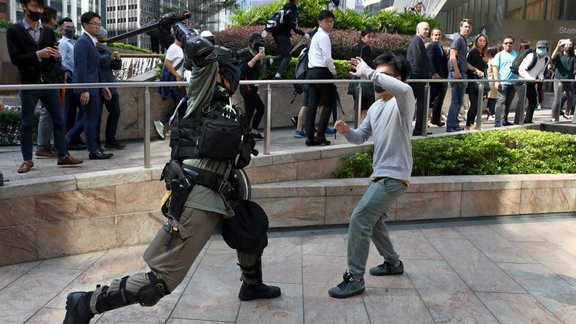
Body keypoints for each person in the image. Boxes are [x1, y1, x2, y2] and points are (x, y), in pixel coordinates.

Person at [63, 29, 280, 324]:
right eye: (226, 70)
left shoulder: (227, 102)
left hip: (223, 190)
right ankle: (87, 303)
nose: (231, 75)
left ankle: (251, 286)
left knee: (251, 231)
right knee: (161, 282)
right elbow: (198, 52)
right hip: (200, 194)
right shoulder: (201, 93)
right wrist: (185, 32)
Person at [328, 52, 413, 299]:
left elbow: (404, 90)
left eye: (384, 76)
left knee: (359, 218)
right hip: (380, 174)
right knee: (373, 221)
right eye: (377, 75)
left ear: (397, 79)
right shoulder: (376, 107)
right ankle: (393, 263)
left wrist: (368, 72)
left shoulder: (403, 100)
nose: (377, 81)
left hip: (394, 175)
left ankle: (354, 278)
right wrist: (346, 131)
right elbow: (360, 137)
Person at [7, 0, 83, 173]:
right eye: (34, 7)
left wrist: (56, 59)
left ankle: (63, 155)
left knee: (59, 120)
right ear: (24, 7)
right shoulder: (14, 31)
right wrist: (38, 54)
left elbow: (54, 60)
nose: (38, 11)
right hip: (29, 83)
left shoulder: (48, 32)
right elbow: (15, 59)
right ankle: (27, 160)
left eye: (40, 8)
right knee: (26, 124)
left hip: (49, 83)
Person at [71, 11, 113, 159]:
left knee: (93, 120)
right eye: (94, 24)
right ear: (85, 25)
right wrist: (84, 89)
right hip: (88, 88)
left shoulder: (91, 42)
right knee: (90, 120)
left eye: (98, 24)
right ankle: (93, 151)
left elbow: (95, 68)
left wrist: (103, 86)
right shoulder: (82, 42)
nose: (97, 27)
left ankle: (96, 149)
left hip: (95, 87)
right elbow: (80, 68)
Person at [305, 10, 336, 146]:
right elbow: (327, 58)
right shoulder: (324, 36)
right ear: (320, 22)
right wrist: (334, 71)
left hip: (311, 73)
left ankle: (310, 138)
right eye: (327, 21)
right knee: (329, 104)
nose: (330, 24)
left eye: (332, 21)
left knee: (312, 106)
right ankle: (320, 135)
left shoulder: (316, 36)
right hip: (321, 72)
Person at [34, 5, 59, 158]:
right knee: (47, 113)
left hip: (49, 79)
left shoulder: (47, 34)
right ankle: (42, 146)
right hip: (42, 79)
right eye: (56, 20)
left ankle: (46, 145)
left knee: (50, 113)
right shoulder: (43, 35)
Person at [58, 17, 86, 151]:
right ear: (61, 29)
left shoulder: (75, 42)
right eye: (67, 27)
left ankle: (73, 137)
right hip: (70, 80)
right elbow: (61, 61)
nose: (71, 29)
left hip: (78, 79)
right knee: (70, 111)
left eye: (72, 26)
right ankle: (69, 140)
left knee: (81, 110)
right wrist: (67, 75)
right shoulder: (62, 43)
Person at [96, 28, 126, 149]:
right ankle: (95, 143)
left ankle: (111, 140)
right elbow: (98, 62)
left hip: (111, 87)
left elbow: (115, 67)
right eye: (102, 41)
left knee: (115, 113)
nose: (104, 43)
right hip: (98, 87)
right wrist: (109, 57)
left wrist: (118, 59)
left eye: (105, 40)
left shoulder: (107, 51)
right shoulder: (92, 50)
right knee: (96, 117)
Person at [265, 0, 307, 79]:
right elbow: (294, 26)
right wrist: (304, 34)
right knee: (288, 56)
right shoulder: (292, 11)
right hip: (283, 35)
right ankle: (278, 76)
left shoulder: (283, 9)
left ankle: (269, 61)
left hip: (276, 34)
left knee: (283, 54)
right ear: (295, 1)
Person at [154, 36, 185, 139]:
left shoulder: (178, 48)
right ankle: (162, 122)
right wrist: (177, 75)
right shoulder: (174, 48)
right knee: (182, 102)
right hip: (173, 80)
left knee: (182, 103)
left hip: (176, 80)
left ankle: (174, 127)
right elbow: (167, 63)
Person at [446, 18, 473, 132]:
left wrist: (474, 69)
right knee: (456, 101)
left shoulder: (464, 40)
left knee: (459, 101)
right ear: (460, 27)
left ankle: (454, 124)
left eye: (469, 27)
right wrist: (456, 71)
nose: (467, 29)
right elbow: (452, 56)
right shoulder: (458, 39)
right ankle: (451, 126)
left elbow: (463, 60)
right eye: (465, 26)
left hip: (462, 74)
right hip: (457, 74)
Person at [239, 33, 266, 140]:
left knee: (261, 108)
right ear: (251, 43)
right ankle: (244, 135)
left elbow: (255, 75)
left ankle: (253, 131)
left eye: (261, 42)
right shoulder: (247, 54)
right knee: (249, 113)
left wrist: (257, 88)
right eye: (257, 42)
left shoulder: (257, 54)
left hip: (253, 88)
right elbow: (244, 69)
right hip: (247, 87)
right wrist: (256, 58)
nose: (259, 44)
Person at [515, 40, 549, 124]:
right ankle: (517, 121)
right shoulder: (530, 56)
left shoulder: (547, 58)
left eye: (543, 48)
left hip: (531, 82)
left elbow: (541, 70)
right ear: (536, 48)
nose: (541, 49)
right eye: (539, 47)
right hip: (521, 81)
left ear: (546, 49)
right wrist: (529, 77)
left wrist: (541, 77)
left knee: (533, 101)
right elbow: (521, 69)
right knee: (522, 101)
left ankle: (528, 120)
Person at [406, 21, 431, 136]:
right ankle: (419, 129)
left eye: (428, 29)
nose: (427, 31)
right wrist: (422, 78)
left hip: (419, 78)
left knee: (421, 104)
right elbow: (416, 62)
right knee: (421, 104)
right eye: (424, 29)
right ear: (418, 29)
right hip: (418, 79)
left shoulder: (419, 41)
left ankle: (420, 128)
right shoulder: (417, 41)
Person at [350, 27, 376, 124]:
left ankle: (359, 129)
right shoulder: (366, 48)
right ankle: (361, 131)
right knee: (365, 110)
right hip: (364, 82)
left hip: (357, 82)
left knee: (360, 109)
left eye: (372, 37)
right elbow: (368, 67)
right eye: (368, 36)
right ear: (362, 37)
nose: (371, 39)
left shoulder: (358, 47)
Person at [492, 35, 518, 127]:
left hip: (513, 83)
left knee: (508, 103)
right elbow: (495, 68)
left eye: (510, 43)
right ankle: (497, 121)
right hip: (502, 83)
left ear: (513, 44)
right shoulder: (499, 55)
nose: (508, 45)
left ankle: (504, 120)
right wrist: (496, 81)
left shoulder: (516, 54)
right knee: (501, 101)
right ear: (503, 44)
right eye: (506, 43)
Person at [465, 34, 488, 129]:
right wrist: (476, 70)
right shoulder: (473, 52)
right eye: (480, 40)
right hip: (473, 81)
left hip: (479, 82)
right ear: (476, 41)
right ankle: (468, 124)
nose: (482, 43)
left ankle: (471, 123)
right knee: (474, 103)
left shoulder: (482, 53)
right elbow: (468, 65)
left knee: (478, 103)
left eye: (484, 41)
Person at [426, 27, 447, 127]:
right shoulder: (432, 46)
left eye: (439, 35)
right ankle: (428, 120)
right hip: (434, 77)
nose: (437, 37)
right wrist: (434, 73)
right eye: (435, 35)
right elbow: (429, 60)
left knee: (439, 98)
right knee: (432, 99)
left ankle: (435, 119)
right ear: (431, 36)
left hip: (441, 77)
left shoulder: (440, 47)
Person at [550, 39, 575, 121]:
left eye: (570, 45)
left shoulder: (573, 58)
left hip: (568, 80)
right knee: (557, 100)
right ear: (563, 46)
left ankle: (567, 113)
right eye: (567, 44)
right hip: (558, 80)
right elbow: (552, 57)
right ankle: (553, 117)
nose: (568, 46)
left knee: (570, 97)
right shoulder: (559, 56)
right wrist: (557, 46)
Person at [484, 46, 499, 120]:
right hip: (492, 81)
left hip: (490, 81)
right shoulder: (493, 61)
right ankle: (491, 114)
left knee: (490, 98)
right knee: (492, 99)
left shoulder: (490, 61)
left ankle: (490, 113)